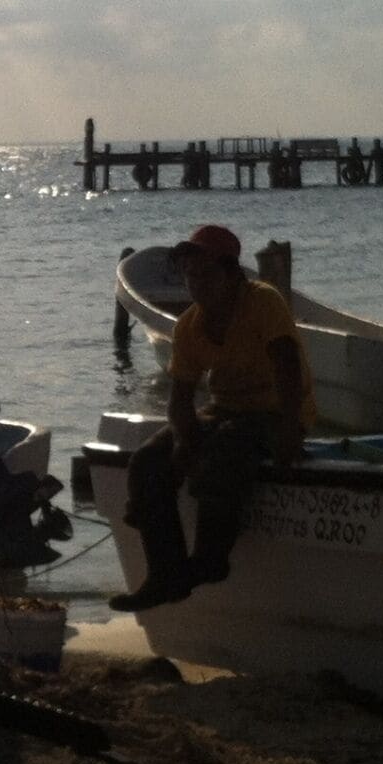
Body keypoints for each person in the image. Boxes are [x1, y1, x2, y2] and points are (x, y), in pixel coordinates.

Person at [109, 224, 316, 611]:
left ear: (231, 273)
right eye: (190, 275)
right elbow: (181, 398)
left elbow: (288, 366)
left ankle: (209, 560)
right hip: (225, 410)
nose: (196, 284)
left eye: (206, 275)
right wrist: (184, 438)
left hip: (275, 411)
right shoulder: (190, 325)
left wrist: (290, 431)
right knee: (148, 462)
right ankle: (165, 574)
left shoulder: (263, 301)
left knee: (225, 450)